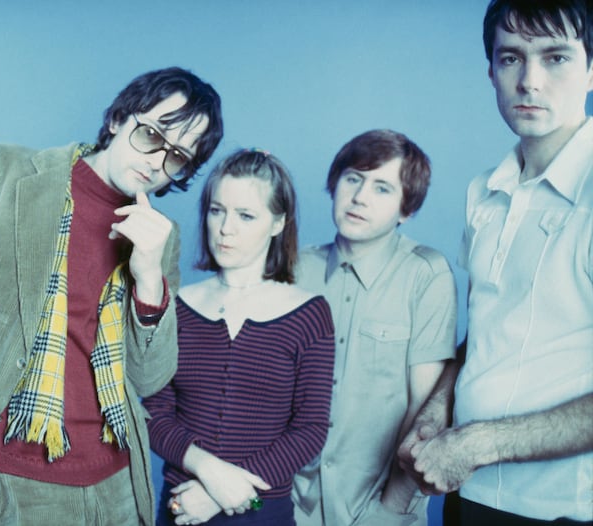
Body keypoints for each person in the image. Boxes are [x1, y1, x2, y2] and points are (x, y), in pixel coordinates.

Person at [0, 67, 223, 525]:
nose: (156, 162)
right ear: (118, 119)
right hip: (13, 475)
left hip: (119, 480)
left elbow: (148, 380)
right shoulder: (7, 170)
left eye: (177, 157)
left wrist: (149, 279)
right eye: (150, 135)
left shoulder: (160, 237)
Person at [397, 1, 593, 524]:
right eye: (511, 58)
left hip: (565, 507)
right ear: (490, 71)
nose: (530, 81)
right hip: (471, 494)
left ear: (592, 68)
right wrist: (439, 407)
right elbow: (487, 329)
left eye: (556, 58)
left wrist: (477, 442)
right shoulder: (483, 191)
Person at [143, 148, 335, 526]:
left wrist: (222, 495)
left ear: (278, 223)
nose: (225, 228)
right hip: (182, 508)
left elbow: (310, 429)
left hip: (263, 512)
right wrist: (212, 474)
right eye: (217, 210)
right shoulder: (177, 305)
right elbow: (153, 414)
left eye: (246, 215)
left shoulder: (309, 313)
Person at [290, 130, 458, 526]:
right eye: (353, 179)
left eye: (382, 187)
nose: (360, 197)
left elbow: (425, 410)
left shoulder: (426, 273)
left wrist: (389, 512)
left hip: (379, 510)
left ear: (406, 209)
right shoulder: (294, 269)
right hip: (290, 507)